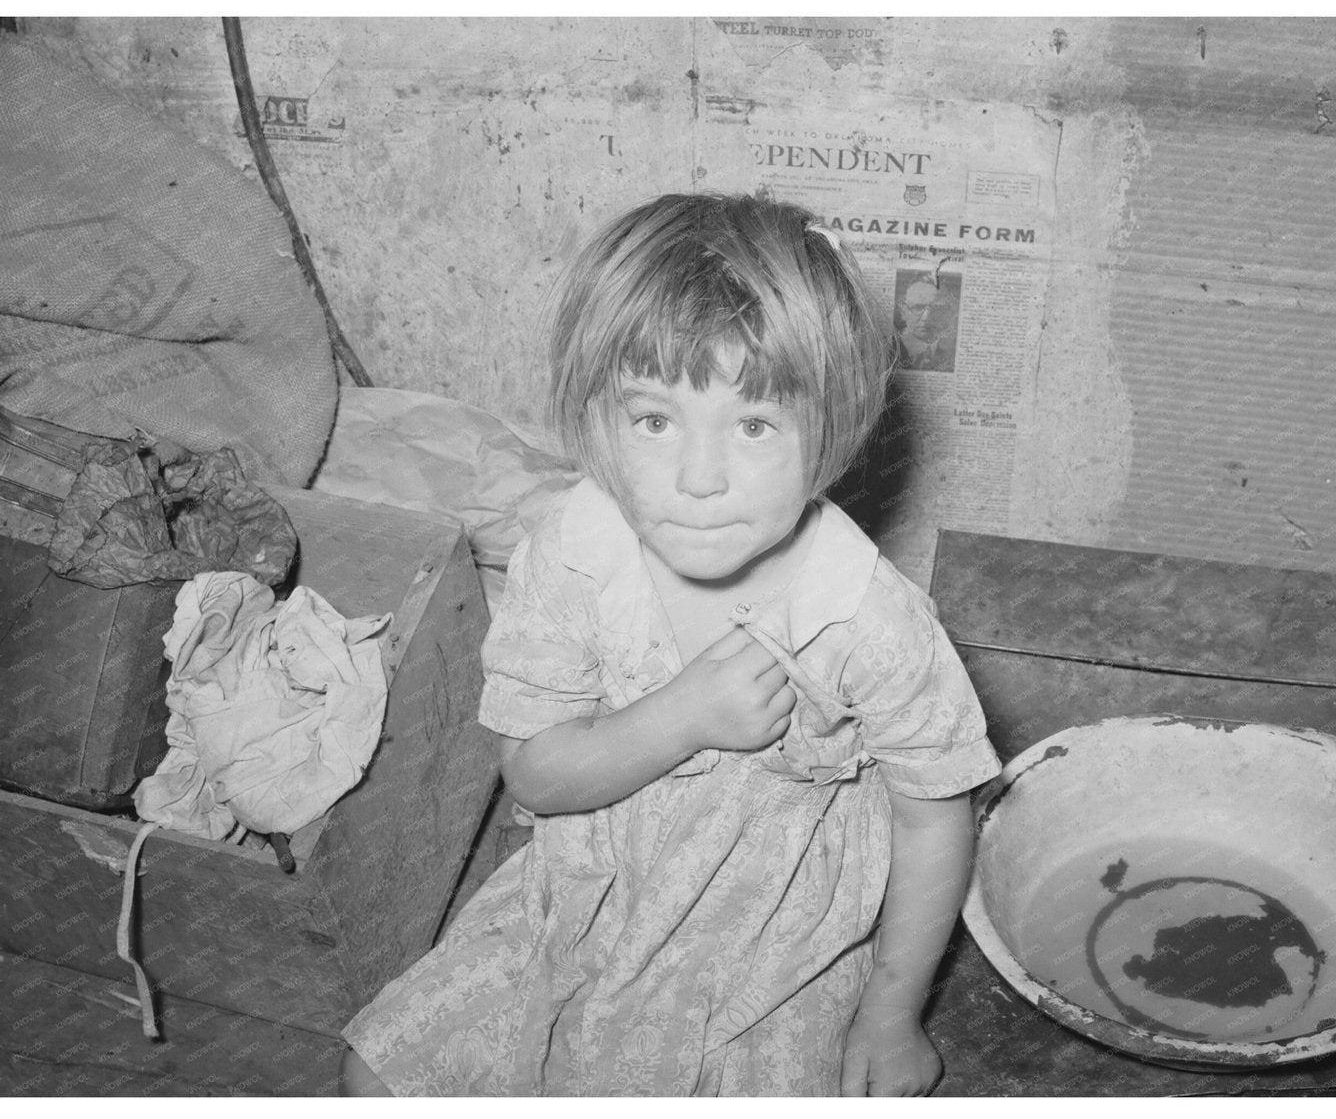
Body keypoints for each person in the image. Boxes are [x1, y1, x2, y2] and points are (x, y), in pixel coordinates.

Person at [339, 193, 999, 1097]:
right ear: (596, 417)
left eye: (755, 426)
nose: (698, 479)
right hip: (583, 904)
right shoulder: (576, 556)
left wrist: (891, 1012)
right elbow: (533, 774)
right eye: (653, 419)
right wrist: (680, 718)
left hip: (770, 962)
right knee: (373, 1080)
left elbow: (935, 815)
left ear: (833, 430)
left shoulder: (864, 620)